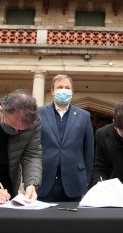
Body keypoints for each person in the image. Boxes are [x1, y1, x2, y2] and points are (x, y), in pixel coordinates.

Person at [37, 74, 94, 202]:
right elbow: (33, 146)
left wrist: (87, 177)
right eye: (60, 87)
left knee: (73, 221)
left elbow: (89, 149)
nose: (64, 90)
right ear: (52, 91)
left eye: (67, 88)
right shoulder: (39, 113)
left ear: (72, 91)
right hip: (44, 180)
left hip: (74, 180)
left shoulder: (84, 116)